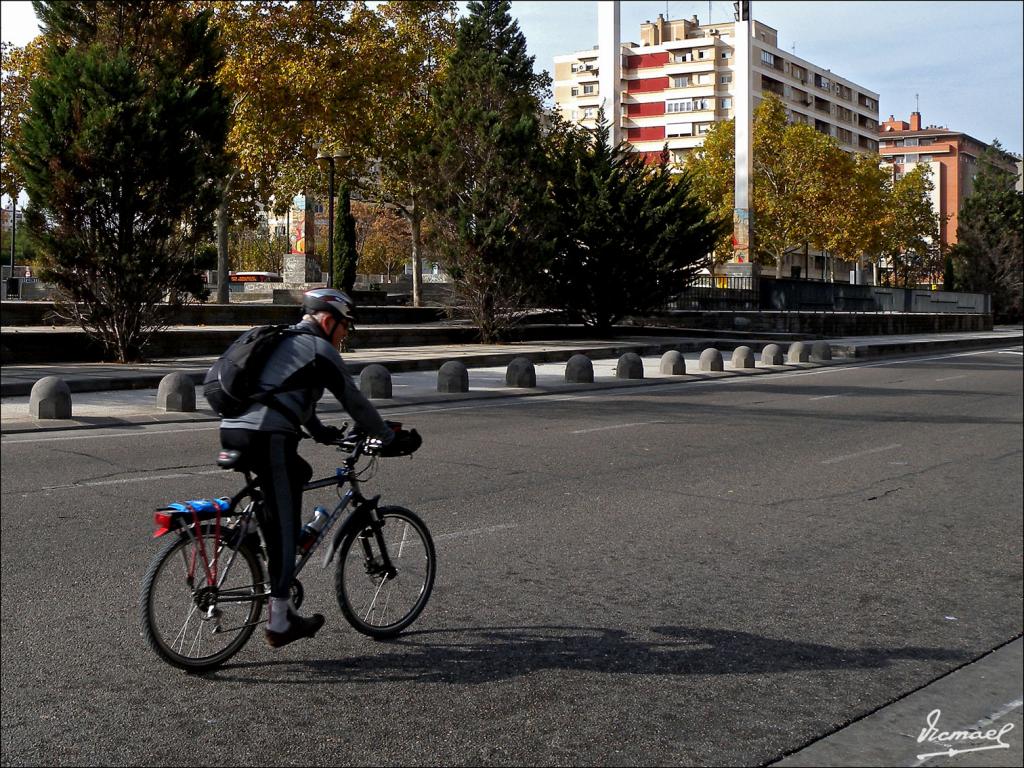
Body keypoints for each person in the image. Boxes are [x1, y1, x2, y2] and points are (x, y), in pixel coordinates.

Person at [218, 288, 417, 648]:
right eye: (345, 327)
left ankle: (256, 532)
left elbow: (287, 395)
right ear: (328, 321)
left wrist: (322, 432)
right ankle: (280, 622)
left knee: (299, 473)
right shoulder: (320, 350)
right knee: (285, 529)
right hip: (269, 437)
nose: (344, 335)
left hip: (233, 429)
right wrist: (386, 437)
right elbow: (354, 401)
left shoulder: (283, 340)